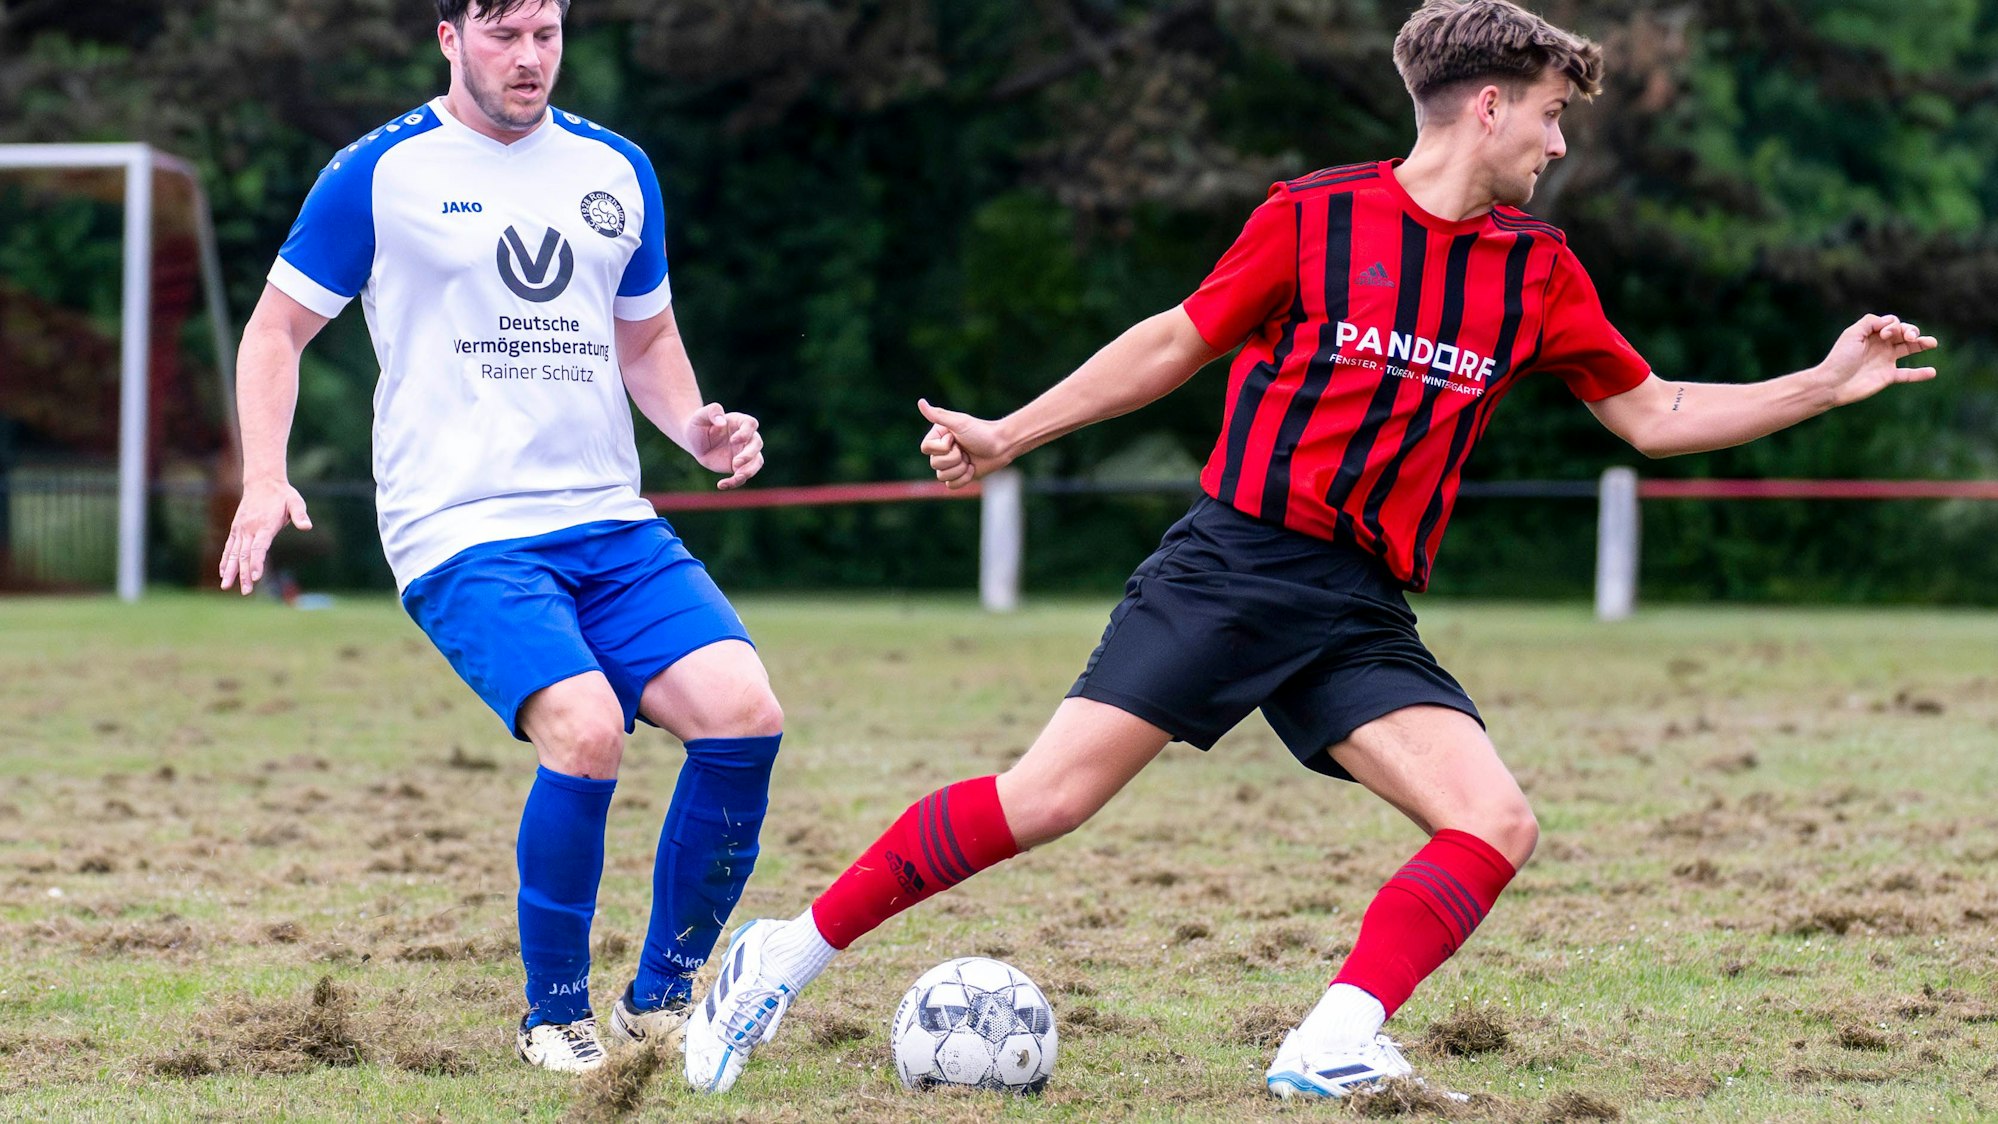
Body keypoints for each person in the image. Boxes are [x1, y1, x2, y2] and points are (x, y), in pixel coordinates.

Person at [681, 0, 1940, 1099]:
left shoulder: (1539, 274)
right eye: (1552, 115)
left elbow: (1653, 413)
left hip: (1356, 606)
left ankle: (1332, 1039)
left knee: (1493, 819)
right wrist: (1009, 433)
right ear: (1488, 107)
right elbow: (1174, 340)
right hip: (1233, 568)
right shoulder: (1315, 218)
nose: (1559, 145)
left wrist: (1822, 384)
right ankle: (782, 954)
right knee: (1044, 800)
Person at [221, 0, 786, 1074]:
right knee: (587, 728)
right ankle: (553, 1016)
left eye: (546, 35)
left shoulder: (618, 169)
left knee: (744, 717)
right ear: (449, 37)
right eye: (503, 35)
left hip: (610, 519)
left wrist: (697, 427)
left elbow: (646, 338)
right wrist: (263, 475)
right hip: (462, 526)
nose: (529, 59)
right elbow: (276, 329)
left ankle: (660, 1002)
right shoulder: (378, 172)